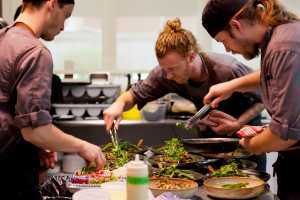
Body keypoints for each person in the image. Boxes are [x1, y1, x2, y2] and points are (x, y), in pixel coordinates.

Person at [104, 18, 266, 170]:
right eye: (164, 69)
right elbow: (134, 95)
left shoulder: (228, 69)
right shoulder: (167, 72)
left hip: (247, 142)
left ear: (191, 57)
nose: (167, 76)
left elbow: (264, 99)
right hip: (208, 148)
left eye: (172, 69)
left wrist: (238, 123)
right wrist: (118, 104)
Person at [0, 0, 106, 199]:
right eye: (65, 15)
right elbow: (35, 131)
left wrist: (36, 147)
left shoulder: (4, 38)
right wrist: (84, 147)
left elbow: (9, 114)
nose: (64, 26)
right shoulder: (35, 52)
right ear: (52, 3)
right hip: (10, 179)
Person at [202, 0, 300, 199]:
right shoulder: (282, 36)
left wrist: (247, 145)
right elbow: (272, 73)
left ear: (236, 26)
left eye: (223, 42)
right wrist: (232, 86)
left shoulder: (283, 47)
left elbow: (284, 135)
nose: (228, 50)